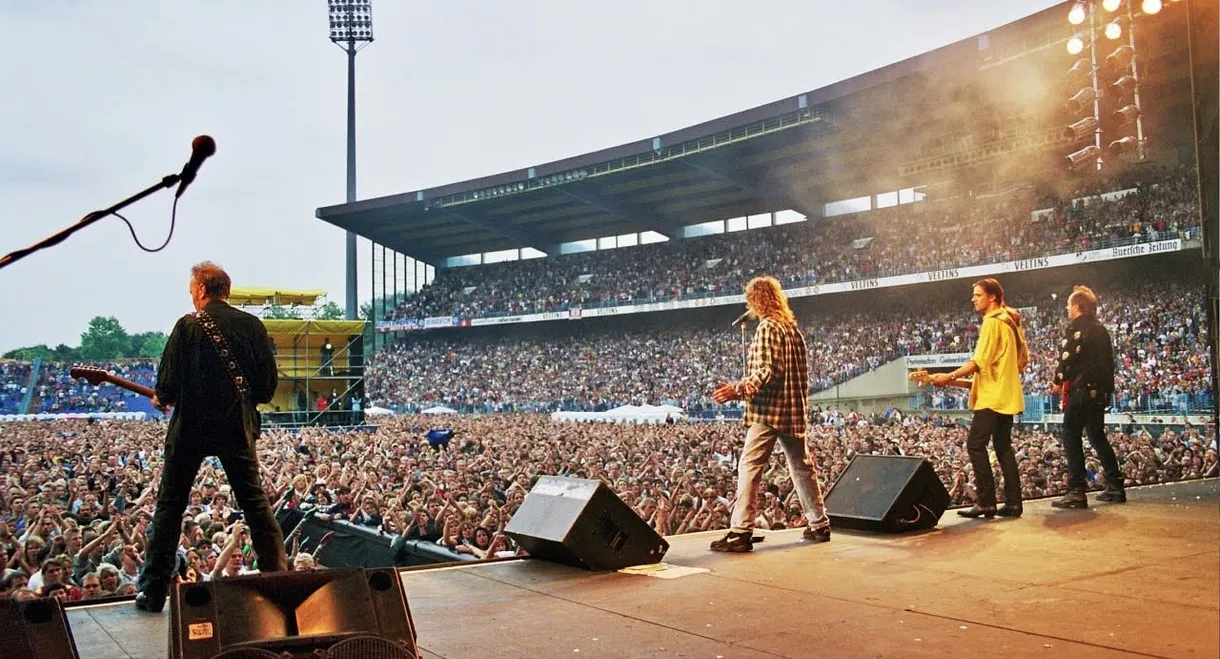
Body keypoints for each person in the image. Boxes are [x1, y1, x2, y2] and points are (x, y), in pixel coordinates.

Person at [136, 262, 287, 612]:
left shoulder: (187, 326)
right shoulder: (252, 325)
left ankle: (154, 590)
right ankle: (279, 581)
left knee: (170, 507)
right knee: (255, 504)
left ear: (203, 290)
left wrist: (163, 396)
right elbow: (266, 388)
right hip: (235, 426)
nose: (191, 295)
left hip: (190, 428)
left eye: (192, 289)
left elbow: (167, 386)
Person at [709, 276, 830, 552]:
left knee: (749, 466)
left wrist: (737, 389)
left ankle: (741, 531)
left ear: (756, 300)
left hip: (769, 410)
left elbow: (766, 372)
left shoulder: (767, 328)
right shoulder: (792, 330)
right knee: (801, 466)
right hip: (792, 410)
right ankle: (819, 523)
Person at [931, 278, 1027, 519]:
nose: (973, 299)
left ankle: (986, 502)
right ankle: (1014, 503)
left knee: (975, 444)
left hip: (992, 399)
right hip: (1005, 395)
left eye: (978, 295)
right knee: (1003, 447)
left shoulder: (992, 323)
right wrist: (949, 380)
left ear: (992, 297)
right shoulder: (1010, 322)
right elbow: (993, 371)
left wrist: (950, 374)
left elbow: (978, 362)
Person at [1050, 285, 1124, 509]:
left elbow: (1067, 356)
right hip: (1100, 391)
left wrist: (1057, 380)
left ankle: (1077, 489)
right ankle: (1115, 485)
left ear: (1077, 306)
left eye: (1068, 306)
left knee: (1070, 433)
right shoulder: (1101, 329)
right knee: (1096, 435)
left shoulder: (1077, 328)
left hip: (1082, 389)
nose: (1067, 310)